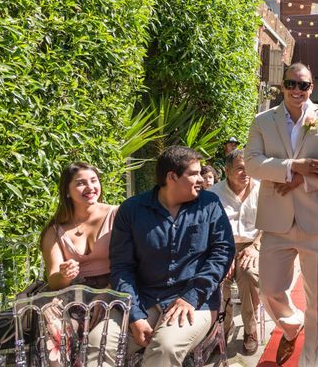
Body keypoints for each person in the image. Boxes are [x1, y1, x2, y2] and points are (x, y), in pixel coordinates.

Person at [245, 62, 318, 366]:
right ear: (282, 86)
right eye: (290, 84)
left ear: (311, 87)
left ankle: (313, 362)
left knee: (317, 300)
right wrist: (294, 166)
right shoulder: (263, 120)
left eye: (302, 85)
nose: (296, 90)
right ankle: (292, 325)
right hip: (275, 222)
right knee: (269, 289)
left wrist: (302, 180)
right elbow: (252, 163)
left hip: (317, 223)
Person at [88, 146, 235, 367]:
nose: (201, 179)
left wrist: (191, 297)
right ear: (172, 177)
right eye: (194, 173)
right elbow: (122, 267)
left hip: (195, 302)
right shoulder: (131, 210)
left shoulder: (210, 205)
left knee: (164, 347)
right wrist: (135, 316)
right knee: (99, 341)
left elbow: (222, 253)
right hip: (143, 297)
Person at [210, 149, 262, 356]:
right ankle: (223, 328)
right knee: (220, 277)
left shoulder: (262, 189)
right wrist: (226, 254)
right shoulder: (213, 194)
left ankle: (250, 330)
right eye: (240, 168)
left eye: (249, 168)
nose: (245, 172)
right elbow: (211, 229)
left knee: (248, 275)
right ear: (227, 170)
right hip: (223, 246)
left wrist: (255, 246)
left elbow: (272, 224)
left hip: (254, 245)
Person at [41, 162, 117, 290]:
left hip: (116, 287)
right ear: (67, 191)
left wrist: (108, 291)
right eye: (81, 183)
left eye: (94, 181)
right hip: (75, 295)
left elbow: (136, 261)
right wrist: (64, 275)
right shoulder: (54, 232)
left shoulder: (118, 215)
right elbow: (54, 281)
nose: (90, 187)